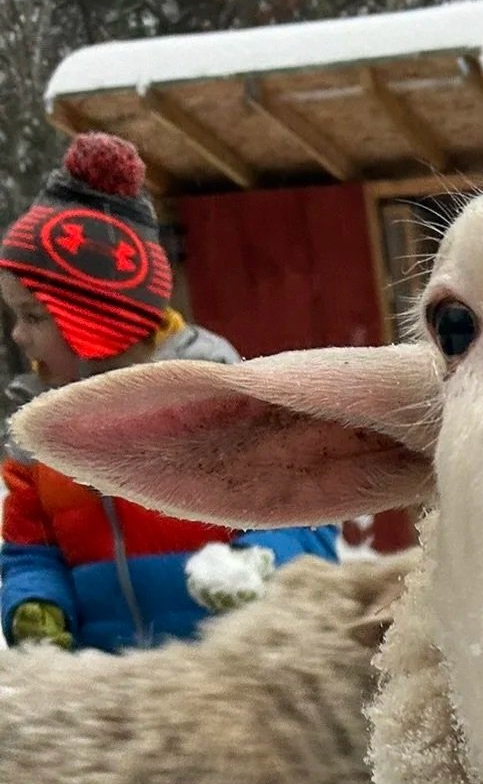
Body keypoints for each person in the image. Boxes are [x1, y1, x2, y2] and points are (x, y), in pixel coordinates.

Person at [0, 132, 339, 651]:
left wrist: (265, 561)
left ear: (97, 317)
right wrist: (35, 604)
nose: (18, 336)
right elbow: (30, 548)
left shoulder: (213, 395)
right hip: (114, 688)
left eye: (33, 316)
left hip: (232, 675)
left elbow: (306, 507)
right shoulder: (38, 431)